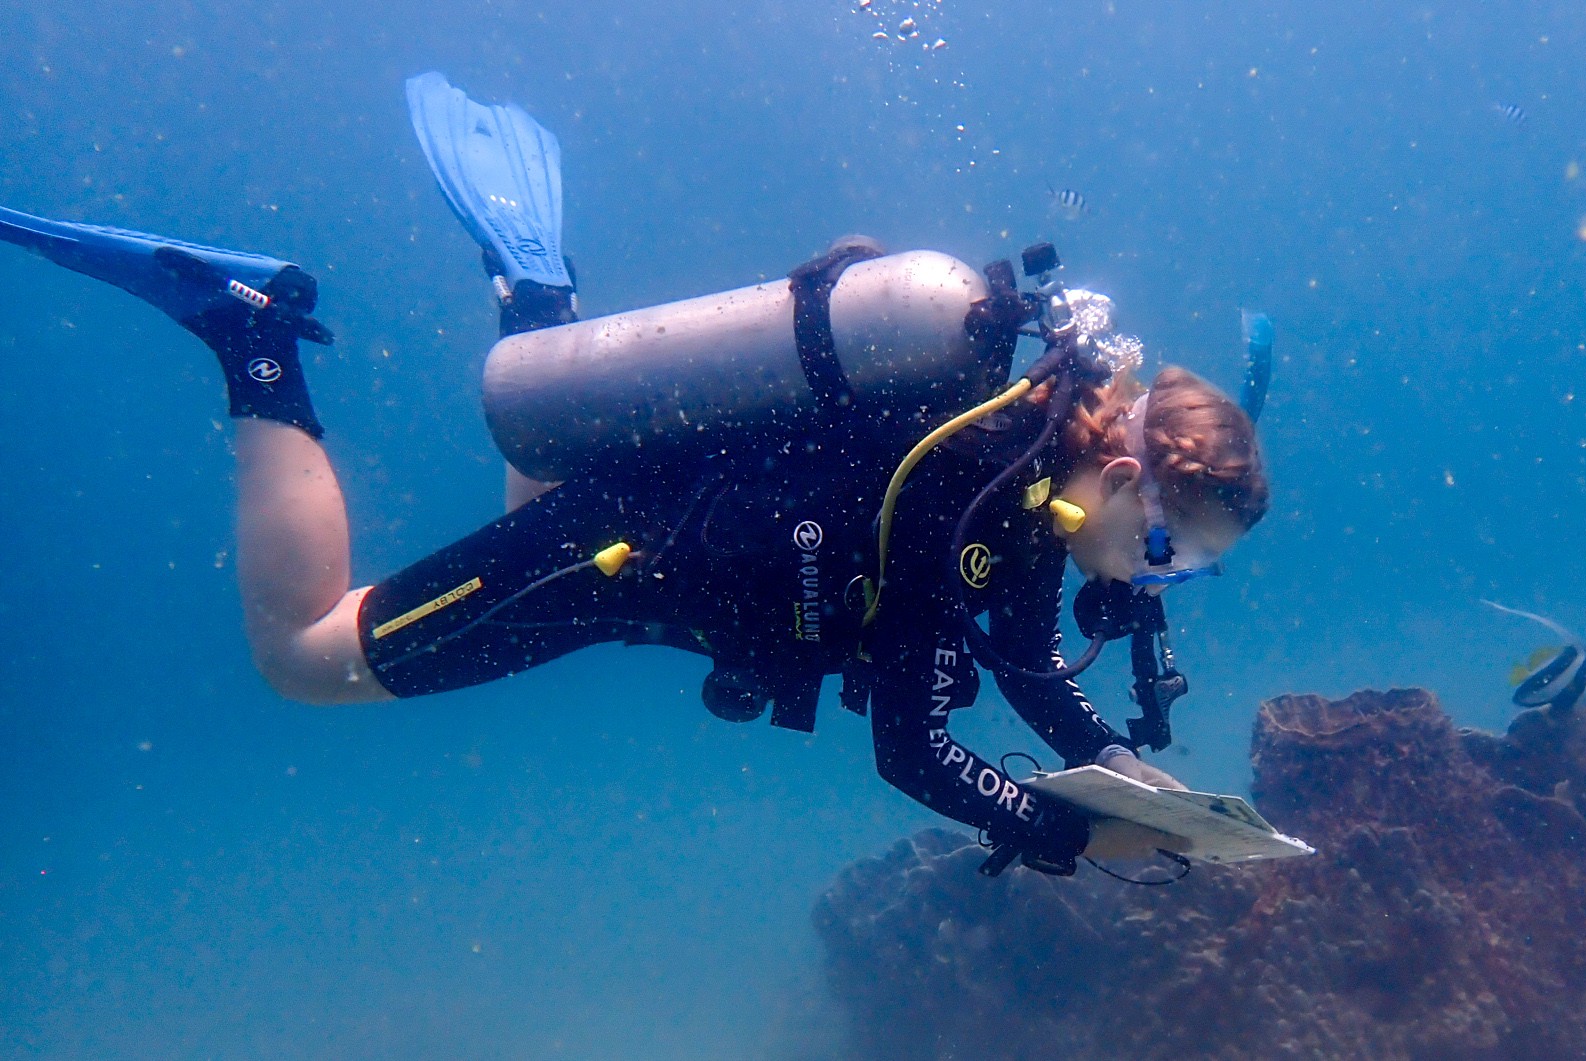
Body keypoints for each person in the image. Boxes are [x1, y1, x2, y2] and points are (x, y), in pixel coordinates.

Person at [0, 77, 1270, 876]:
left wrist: (1136, 779)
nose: (1157, 578)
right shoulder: (973, 484)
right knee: (304, 655)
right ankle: (251, 334)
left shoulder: (1021, 470)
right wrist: (1066, 828)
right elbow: (910, 749)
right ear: (1121, 463)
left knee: (534, 476)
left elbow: (1032, 664)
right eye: (1168, 546)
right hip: (612, 550)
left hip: (648, 508)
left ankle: (538, 301)